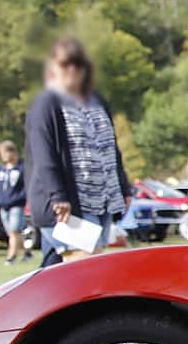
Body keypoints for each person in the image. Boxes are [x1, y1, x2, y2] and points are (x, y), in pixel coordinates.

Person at [26, 36, 134, 266]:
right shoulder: (47, 104)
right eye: (66, 64)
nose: (72, 70)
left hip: (100, 202)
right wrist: (58, 196)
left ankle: (32, 301)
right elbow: (43, 155)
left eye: (78, 64)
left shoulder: (96, 101)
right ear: (53, 67)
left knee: (58, 274)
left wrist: (124, 187)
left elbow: (110, 149)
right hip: (66, 206)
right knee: (87, 267)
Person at [0, 140, 29, 264]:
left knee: (14, 230)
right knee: (12, 233)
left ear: (12, 152)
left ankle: (11, 257)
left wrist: (20, 197)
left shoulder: (22, 167)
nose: (3, 156)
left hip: (17, 204)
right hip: (4, 204)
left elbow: (26, 186)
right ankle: (27, 252)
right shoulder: (1, 169)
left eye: (5, 153)